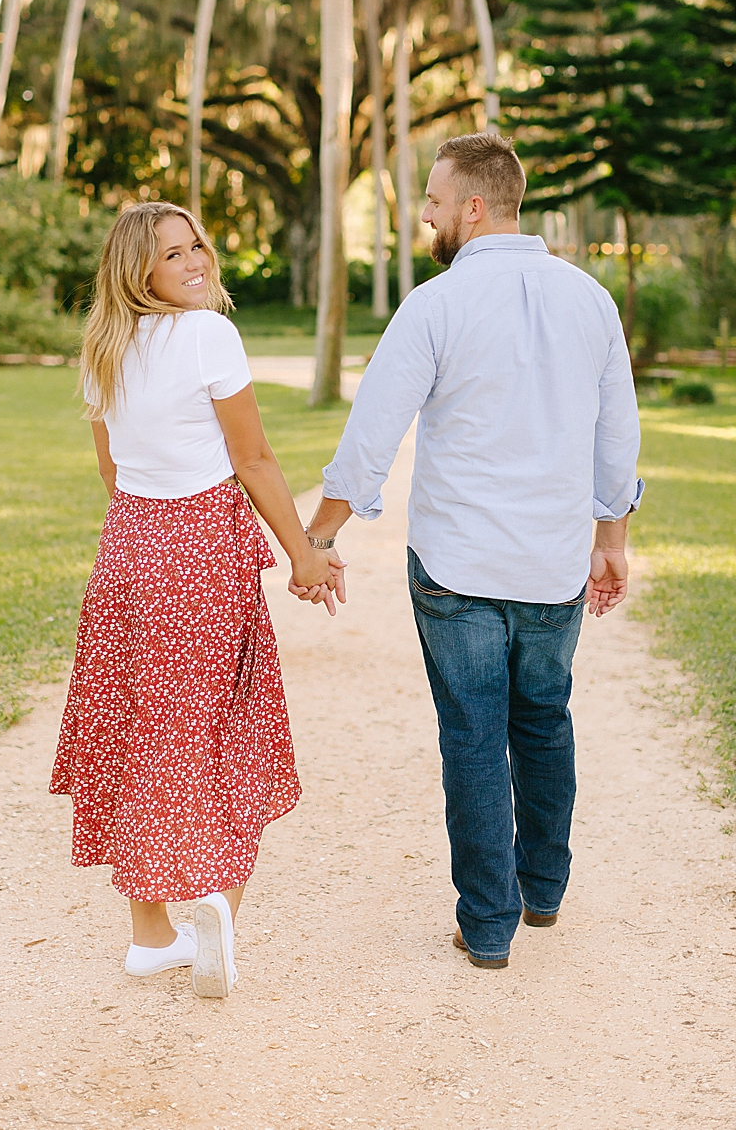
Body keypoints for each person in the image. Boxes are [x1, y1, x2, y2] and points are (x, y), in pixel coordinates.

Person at [304, 130, 642, 970]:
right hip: (554, 563)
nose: (424, 215)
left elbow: (372, 434)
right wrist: (612, 541)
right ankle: (545, 891)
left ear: (474, 207)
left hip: (457, 567)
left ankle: (488, 925)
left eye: (433, 200)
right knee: (543, 719)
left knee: (472, 735)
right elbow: (617, 437)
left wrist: (321, 535)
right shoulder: (591, 299)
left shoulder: (435, 304)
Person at [50, 201, 343, 1000]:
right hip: (201, 549)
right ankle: (216, 897)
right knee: (226, 726)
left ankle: (150, 936)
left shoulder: (103, 349)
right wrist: (305, 555)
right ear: (138, 271)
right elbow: (253, 456)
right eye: (173, 254)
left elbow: (111, 474)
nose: (195, 262)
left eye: (197, 247)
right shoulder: (210, 334)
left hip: (128, 552)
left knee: (145, 730)